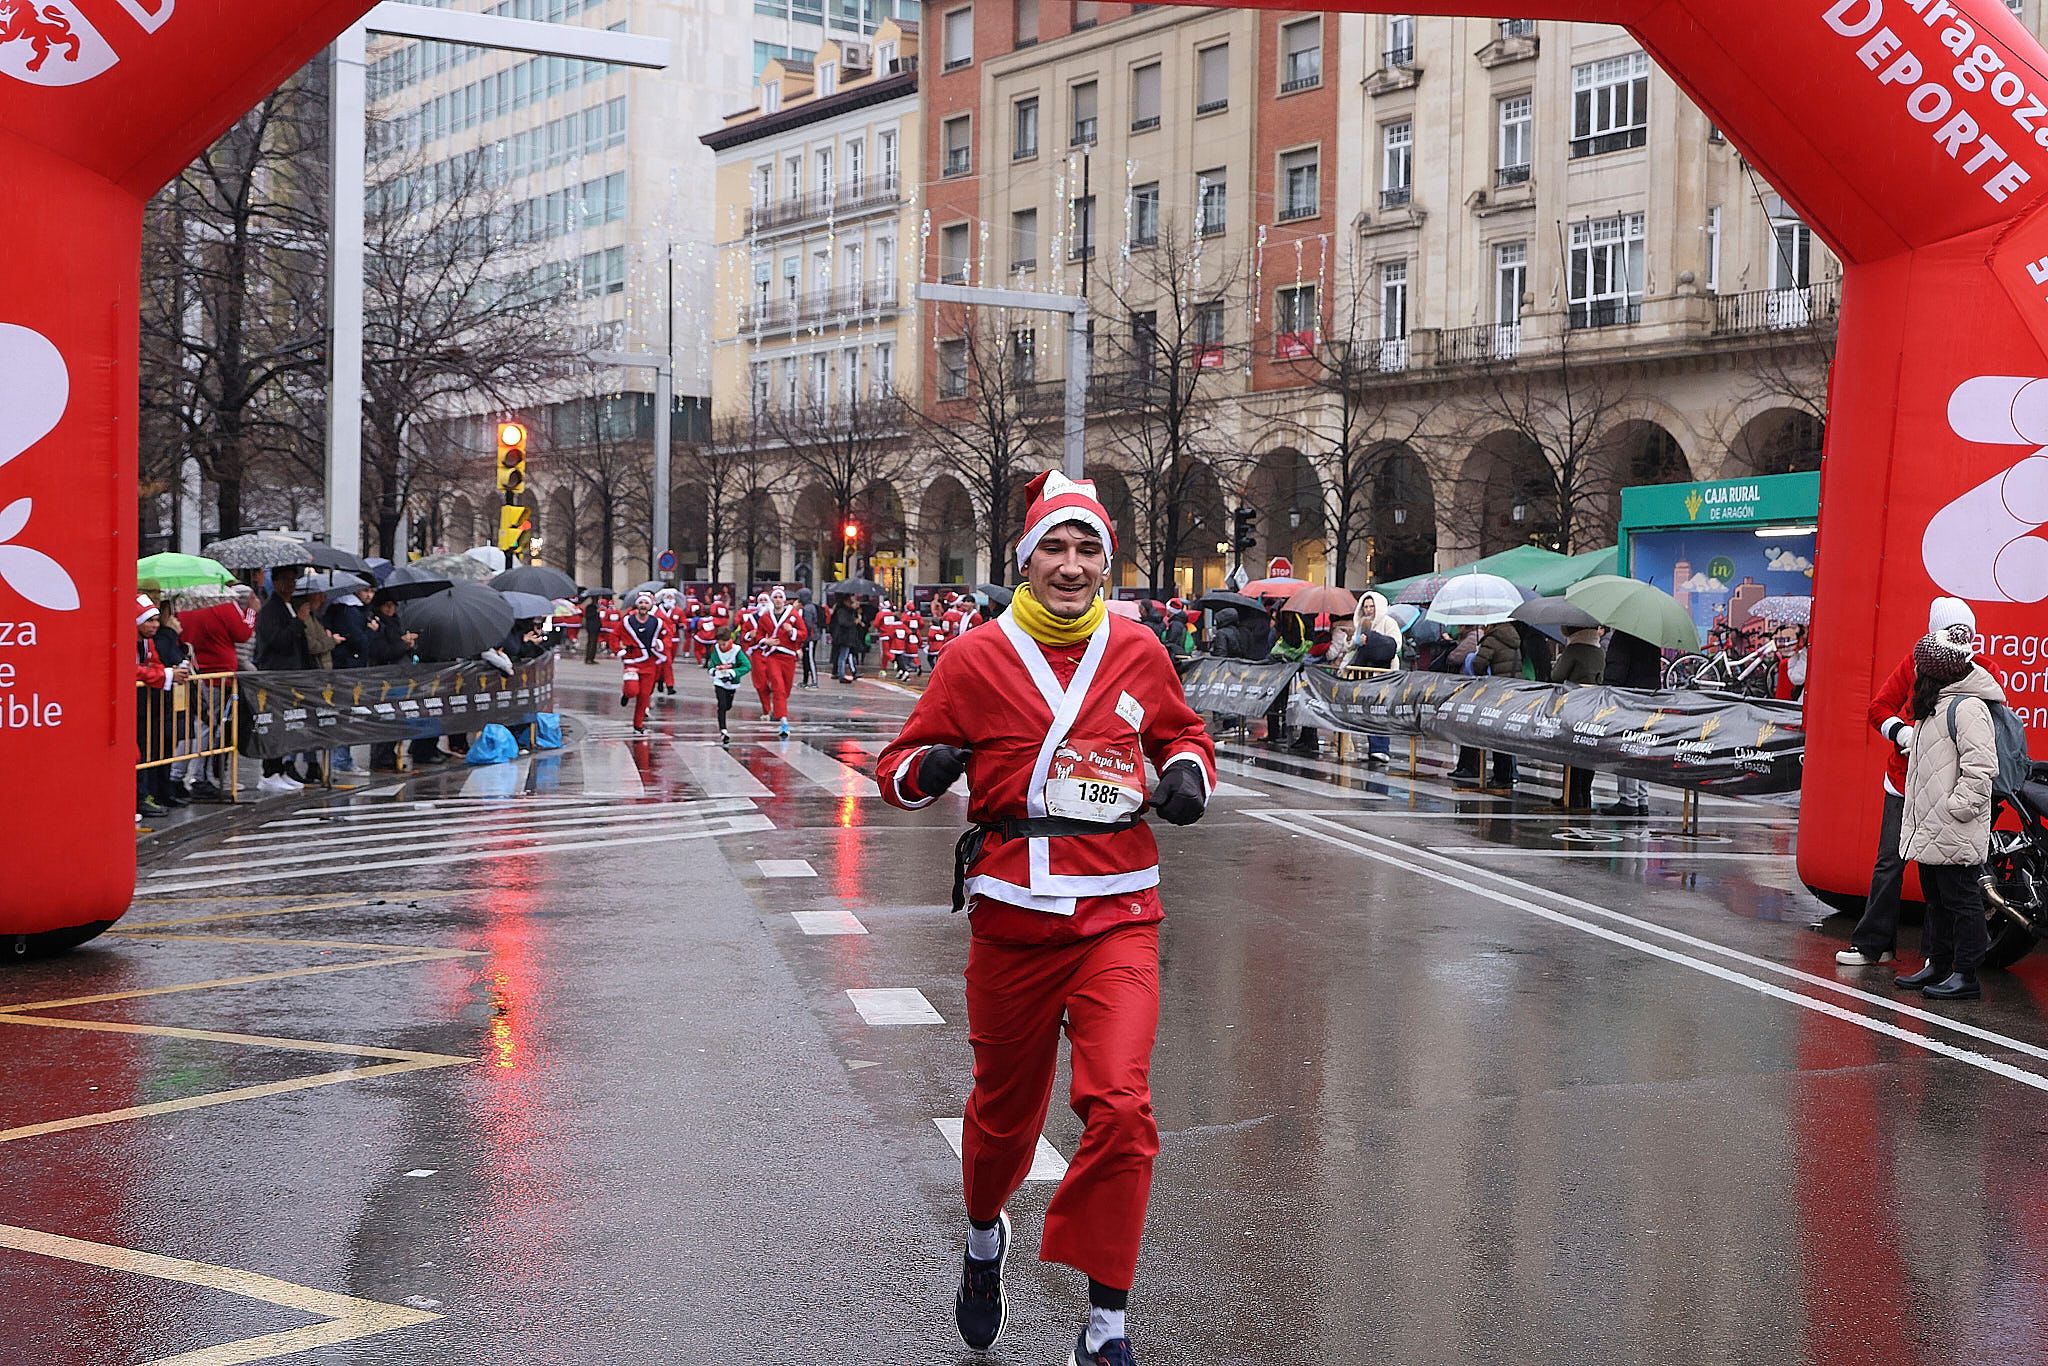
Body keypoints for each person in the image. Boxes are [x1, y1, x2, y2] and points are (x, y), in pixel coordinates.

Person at [875, 470, 1215, 1366]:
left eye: (1087, 549)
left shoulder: (1139, 648)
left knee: (1122, 1110)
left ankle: (1105, 1322)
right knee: (1002, 1120)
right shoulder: (975, 657)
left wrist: (1184, 776)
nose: (1071, 565)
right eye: (1054, 549)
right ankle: (985, 1236)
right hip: (1014, 918)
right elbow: (895, 768)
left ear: (1107, 560)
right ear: (1026, 560)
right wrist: (936, 764)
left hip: (1118, 913)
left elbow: (1183, 735)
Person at [1842, 598, 1980, 966]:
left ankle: (1939, 959)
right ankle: (1874, 944)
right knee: (1890, 861)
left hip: (1945, 789)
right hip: (1902, 782)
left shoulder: (1981, 671)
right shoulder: (1915, 664)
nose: (1960, 640)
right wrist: (1902, 734)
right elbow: (1878, 708)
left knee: (1941, 875)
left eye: (1965, 634)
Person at [1891, 626, 2007, 1001]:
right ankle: (1938, 963)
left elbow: (1980, 768)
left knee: (1962, 902)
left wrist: (1957, 808)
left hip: (1952, 824)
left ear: (1935, 670)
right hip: (1931, 825)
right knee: (1937, 901)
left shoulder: (1967, 706)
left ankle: (1965, 973)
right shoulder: (1937, 703)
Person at [175, 590, 254, 801]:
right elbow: (243, 633)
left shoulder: (185, 606)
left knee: (194, 726)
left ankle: (181, 775)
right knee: (208, 728)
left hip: (195, 673)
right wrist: (251, 612)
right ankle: (197, 776)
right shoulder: (223, 605)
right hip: (218, 676)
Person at [1448, 618, 1522, 793]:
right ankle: (1507, 773)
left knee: (1494, 734)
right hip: (1511, 691)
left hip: (1494, 692)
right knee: (1505, 734)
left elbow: (1478, 665)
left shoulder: (1491, 639)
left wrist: (1475, 656)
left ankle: (1499, 777)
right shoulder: (1514, 639)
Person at [134, 596, 191, 817]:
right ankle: (139, 798)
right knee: (138, 754)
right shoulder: (130, 639)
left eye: (157, 620)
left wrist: (166, 672)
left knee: (147, 752)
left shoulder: (148, 641)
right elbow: (132, 668)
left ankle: (145, 796)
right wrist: (166, 674)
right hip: (133, 707)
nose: (155, 625)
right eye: (150, 621)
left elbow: (154, 663)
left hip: (145, 707)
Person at [1599, 627, 1664, 816]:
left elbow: (1617, 667)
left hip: (1628, 698)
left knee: (1626, 747)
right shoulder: (1651, 635)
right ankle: (1642, 799)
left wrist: (1608, 692)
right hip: (1649, 697)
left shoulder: (1623, 635)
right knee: (1642, 749)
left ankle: (1628, 800)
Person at [364, 591, 426, 772]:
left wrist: (409, 645)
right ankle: (380, 758)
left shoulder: (397, 622)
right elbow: (381, 651)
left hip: (399, 676)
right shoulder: (377, 624)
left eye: (393, 605)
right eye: (386, 606)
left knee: (397, 717)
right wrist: (403, 644)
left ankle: (390, 755)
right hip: (384, 678)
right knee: (384, 718)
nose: (390, 609)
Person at [1552, 625, 1607, 811]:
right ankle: (1585, 793)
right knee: (1587, 750)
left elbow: (1557, 676)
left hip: (1573, 706)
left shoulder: (1574, 648)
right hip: (1594, 706)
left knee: (1571, 751)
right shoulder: (1599, 650)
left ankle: (1571, 794)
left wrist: (1560, 660)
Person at [1345, 592, 1403, 767]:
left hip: (1383, 675)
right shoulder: (1362, 624)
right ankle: (1373, 748)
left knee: (1380, 712)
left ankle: (1381, 748)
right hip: (1364, 676)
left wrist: (1373, 640)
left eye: (1372, 606)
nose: (1369, 610)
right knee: (1368, 712)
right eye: (1366, 606)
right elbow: (1352, 648)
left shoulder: (1388, 623)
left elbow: (1395, 645)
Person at [755, 585, 806, 739]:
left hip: (788, 656)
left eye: (780, 597)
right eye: (775, 597)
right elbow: (759, 635)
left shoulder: (793, 615)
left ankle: (780, 708)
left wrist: (792, 631)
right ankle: (783, 720)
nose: (777, 600)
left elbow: (803, 633)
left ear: (784, 600)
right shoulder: (765, 616)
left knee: (786, 689)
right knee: (778, 687)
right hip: (772, 656)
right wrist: (766, 640)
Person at [616, 592, 666, 735]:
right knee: (632, 690)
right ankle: (626, 694)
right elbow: (614, 635)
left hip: (649, 662)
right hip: (632, 660)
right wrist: (618, 650)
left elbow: (667, 634)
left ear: (650, 606)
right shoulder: (627, 621)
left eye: (646, 603)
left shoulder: (656, 622)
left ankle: (638, 725)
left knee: (644, 695)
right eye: (641, 603)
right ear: (637, 605)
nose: (643, 606)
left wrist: (660, 643)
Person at [706, 624, 751, 744]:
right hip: (719, 681)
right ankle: (723, 731)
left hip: (732, 682)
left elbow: (747, 666)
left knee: (727, 706)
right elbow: (712, 665)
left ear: (729, 640)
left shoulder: (736, 650)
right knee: (721, 705)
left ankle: (724, 723)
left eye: (724, 644)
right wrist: (715, 671)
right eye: (720, 644)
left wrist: (733, 672)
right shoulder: (716, 649)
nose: (721, 646)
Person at [828, 594, 865, 682]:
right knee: (843, 656)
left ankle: (840, 673)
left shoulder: (848, 611)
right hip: (844, 637)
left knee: (844, 655)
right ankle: (841, 674)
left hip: (847, 637)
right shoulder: (842, 611)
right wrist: (854, 622)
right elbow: (843, 622)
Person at [581, 593, 604, 665]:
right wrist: (596, 611)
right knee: (591, 642)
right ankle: (588, 658)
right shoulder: (590, 607)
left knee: (594, 643)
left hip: (596, 627)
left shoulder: (597, 606)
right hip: (591, 627)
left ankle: (592, 658)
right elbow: (588, 616)